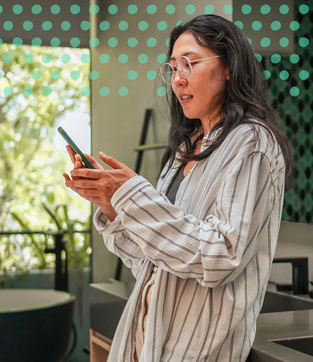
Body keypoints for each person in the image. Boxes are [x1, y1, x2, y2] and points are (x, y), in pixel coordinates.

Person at [63, 14, 292, 362]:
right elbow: (156, 262)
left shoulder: (252, 142)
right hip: (144, 344)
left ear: (229, 66)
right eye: (172, 67)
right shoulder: (185, 148)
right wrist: (113, 206)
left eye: (190, 64)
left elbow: (222, 256)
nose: (178, 79)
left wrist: (133, 196)